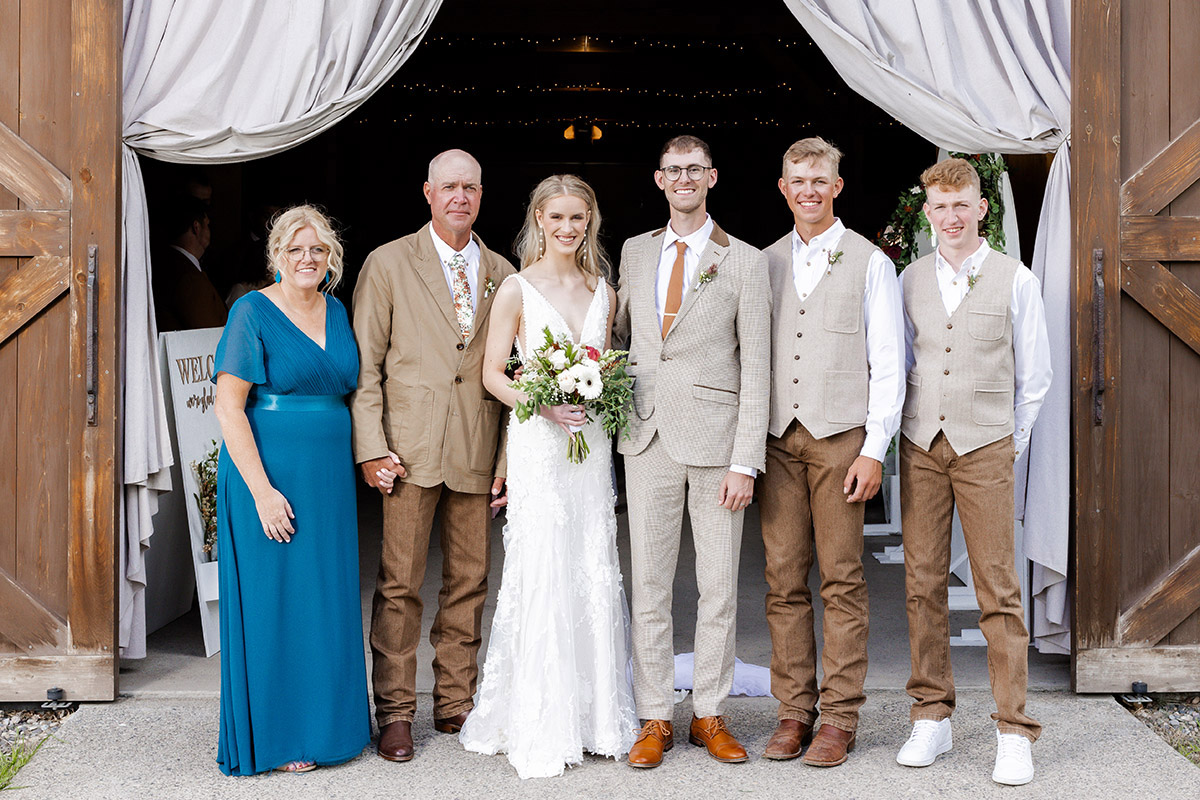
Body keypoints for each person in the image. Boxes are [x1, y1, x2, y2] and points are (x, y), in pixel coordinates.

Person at [458, 175, 637, 778]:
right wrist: (543, 404)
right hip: (539, 442)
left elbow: (608, 365)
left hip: (589, 447)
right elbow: (492, 377)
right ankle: (539, 718)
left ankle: (597, 717)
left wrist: (595, 397)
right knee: (543, 564)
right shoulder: (516, 288)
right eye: (557, 218)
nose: (568, 229)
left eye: (578, 219)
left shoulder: (602, 290)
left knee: (591, 562)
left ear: (590, 222)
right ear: (538, 218)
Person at [351, 149, 516, 763]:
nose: (460, 199)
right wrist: (370, 448)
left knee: (469, 582)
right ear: (427, 192)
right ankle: (394, 710)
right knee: (399, 585)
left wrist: (506, 459)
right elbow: (366, 367)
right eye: (449, 187)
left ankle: (456, 701)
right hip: (407, 453)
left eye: (470, 188)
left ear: (481, 194)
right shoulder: (389, 262)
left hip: (476, 447)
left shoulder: (503, 269)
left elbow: (514, 374)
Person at [614, 135, 770, 768]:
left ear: (711, 177)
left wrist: (745, 460)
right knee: (648, 585)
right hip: (646, 437)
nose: (683, 179)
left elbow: (756, 366)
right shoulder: (633, 251)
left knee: (718, 587)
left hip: (715, 443)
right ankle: (655, 715)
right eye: (672, 170)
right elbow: (619, 339)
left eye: (693, 170)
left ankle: (709, 712)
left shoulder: (745, 261)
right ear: (658, 179)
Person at [896, 157, 1051, 786]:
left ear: (981, 208)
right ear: (927, 211)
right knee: (921, 581)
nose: (951, 216)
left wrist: (1005, 444)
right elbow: (900, 360)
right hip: (920, 443)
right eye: (940, 206)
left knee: (997, 590)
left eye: (962, 204)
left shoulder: (1016, 279)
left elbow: (1035, 377)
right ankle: (932, 714)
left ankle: (1013, 729)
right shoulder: (909, 279)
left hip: (987, 443)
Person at [758, 137, 905, 767]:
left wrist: (874, 448)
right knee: (782, 579)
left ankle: (840, 717)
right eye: (798, 181)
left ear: (836, 187)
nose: (809, 190)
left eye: (820, 180)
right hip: (777, 440)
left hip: (842, 438)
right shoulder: (761, 261)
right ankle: (795, 711)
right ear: (784, 187)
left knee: (842, 580)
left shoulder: (871, 262)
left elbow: (890, 363)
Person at [212, 205, 370, 775]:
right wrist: (261, 491)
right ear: (276, 257)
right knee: (274, 601)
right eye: (295, 250)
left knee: (323, 597)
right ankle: (280, 737)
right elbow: (229, 409)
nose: (308, 259)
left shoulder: (336, 308)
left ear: (331, 258)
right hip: (269, 473)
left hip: (327, 477)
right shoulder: (250, 312)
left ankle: (329, 728)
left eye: (318, 250)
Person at [152, 195, 228, 331]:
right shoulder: (188, 277)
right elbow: (208, 333)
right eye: (208, 225)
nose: (210, 230)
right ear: (196, 227)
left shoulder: (168, 263)